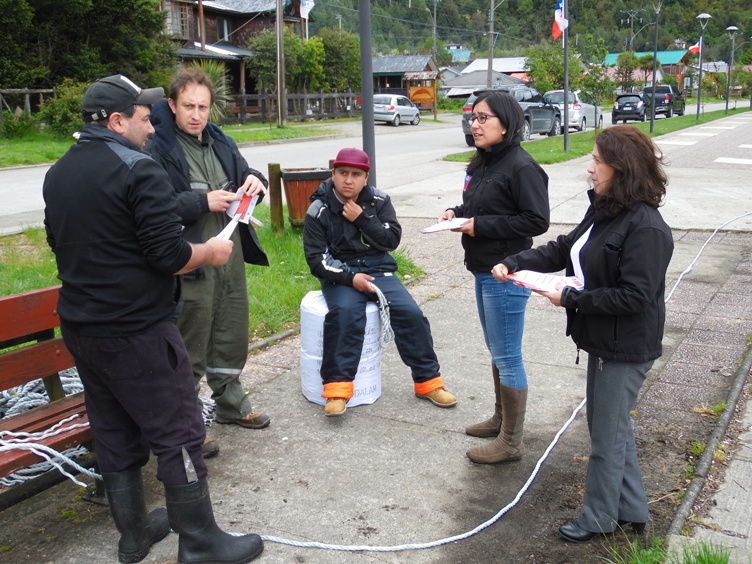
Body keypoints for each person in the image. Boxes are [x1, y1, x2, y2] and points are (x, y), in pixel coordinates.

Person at [43, 75, 263, 563]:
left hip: (82, 327)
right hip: (137, 330)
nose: (151, 126)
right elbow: (168, 254)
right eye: (144, 118)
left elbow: (58, 245)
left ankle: (135, 533)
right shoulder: (138, 169)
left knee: (114, 430)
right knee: (179, 431)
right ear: (118, 121)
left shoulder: (57, 172)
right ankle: (201, 544)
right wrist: (208, 252)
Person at [492, 126, 674, 542]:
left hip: (625, 347)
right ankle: (631, 509)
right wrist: (517, 260)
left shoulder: (646, 228)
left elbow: (634, 297)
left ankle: (599, 518)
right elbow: (565, 249)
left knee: (605, 439)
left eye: (597, 160)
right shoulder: (606, 209)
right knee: (610, 428)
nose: (589, 168)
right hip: (602, 340)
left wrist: (571, 298)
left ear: (621, 168)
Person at [147, 68, 270, 458]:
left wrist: (255, 181)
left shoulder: (220, 141)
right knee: (190, 344)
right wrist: (202, 202)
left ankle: (232, 405)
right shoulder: (157, 149)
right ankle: (187, 426)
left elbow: (245, 174)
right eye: (188, 106)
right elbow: (154, 206)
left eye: (203, 106)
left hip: (229, 258)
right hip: (190, 260)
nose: (196, 115)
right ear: (172, 105)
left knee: (231, 333)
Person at [437, 90, 550, 464]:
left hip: (506, 271)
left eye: (484, 117)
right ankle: (502, 421)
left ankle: (511, 442)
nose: (475, 123)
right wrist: (457, 213)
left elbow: (536, 220)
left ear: (507, 123)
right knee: (497, 350)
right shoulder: (483, 162)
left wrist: (479, 225)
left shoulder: (521, 166)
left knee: (507, 354)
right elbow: (480, 206)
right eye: (473, 117)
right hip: (483, 268)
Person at [303, 147, 457, 417]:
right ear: (333, 174)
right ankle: (337, 389)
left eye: (356, 174)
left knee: (411, 314)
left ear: (366, 177)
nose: (348, 180)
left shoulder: (379, 201)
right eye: (342, 173)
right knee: (345, 314)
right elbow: (317, 260)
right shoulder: (318, 210)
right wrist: (351, 278)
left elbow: (391, 240)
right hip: (340, 275)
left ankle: (428, 382)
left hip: (379, 270)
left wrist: (362, 219)